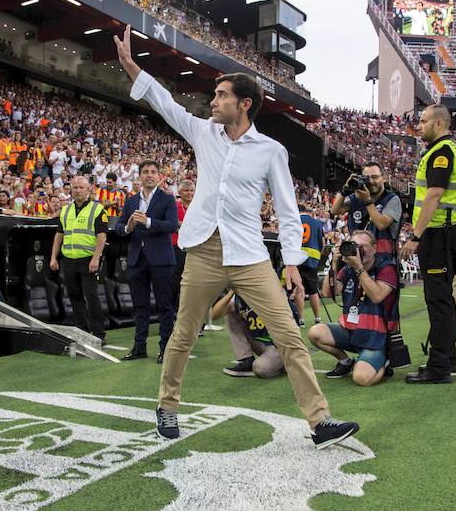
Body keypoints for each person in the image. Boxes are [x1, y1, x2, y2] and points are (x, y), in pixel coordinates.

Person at [114, 24, 358, 449]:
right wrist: (134, 68)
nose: (214, 100)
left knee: (289, 337)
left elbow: (286, 212)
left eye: (221, 95)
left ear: (244, 104)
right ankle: (167, 408)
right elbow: (166, 104)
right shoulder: (203, 132)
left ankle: (320, 423)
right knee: (184, 333)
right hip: (205, 250)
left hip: (250, 256)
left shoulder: (271, 151)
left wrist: (295, 264)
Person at [399, 104, 456, 384]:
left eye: (424, 121)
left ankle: (439, 365)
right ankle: (447, 359)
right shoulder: (449, 150)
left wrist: (415, 236)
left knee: (438, 300)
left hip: (438, 233)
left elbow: (434, 196)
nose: (420, 125)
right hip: (446, 231)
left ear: (439, 124)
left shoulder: (441, 152)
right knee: (444, 300)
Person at [308, 231, 398, 386]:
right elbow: (329, 292)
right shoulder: (347, 269)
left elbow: (377, 296)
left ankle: (384, 364)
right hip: (351, 331)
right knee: (315, 332)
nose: (358, 251)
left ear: (375, 248)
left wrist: (359, 269)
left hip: (376, 338)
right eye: (355, 246)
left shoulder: (386, 268)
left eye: (363, 246)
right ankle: (345, 362)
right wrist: (334, 265)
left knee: (361, 378)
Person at [115, 161, 179, 363]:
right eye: (145, 172)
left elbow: (171, 225)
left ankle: (165, 349)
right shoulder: (131, 201)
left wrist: (148, 222)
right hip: (137, 259)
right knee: (140, 306)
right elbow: (119, 225)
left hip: (161, 260)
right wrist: (129, 227)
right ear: (140, 177)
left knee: (164, 306)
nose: (149, 175)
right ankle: (139, 347)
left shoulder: (168, 199)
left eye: (153, 172)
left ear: (159, 176)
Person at [50, 176, 108, 343]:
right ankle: (81, 330)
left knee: (91, 296)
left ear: (88, 189)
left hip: (88, 260)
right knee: (74, 296)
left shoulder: (97, 210)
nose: (78, 190)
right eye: (75, 187)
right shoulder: (66, 210)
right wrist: (54, 257)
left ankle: (98, 334)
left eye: (81, 187)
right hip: (68, 260)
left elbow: (102, 237)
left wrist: (96, 258)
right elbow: (59, 235)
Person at [330, 161, 402, 260]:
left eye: (375, 177)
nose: (371, 181)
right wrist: (345, 190)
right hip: (357, 256)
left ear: (383, 178)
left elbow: (381, 224)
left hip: (383, 260)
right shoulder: (356, 197)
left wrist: (367, 200)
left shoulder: (392, 199)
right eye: (367, 178)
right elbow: (334, 210)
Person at [215, 289, 294, 379]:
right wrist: (230, 293)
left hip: (280, 345)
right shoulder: (241, 294)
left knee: (260, 368)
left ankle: (285, 362)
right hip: (263, 342)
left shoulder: (272, 289)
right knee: (229, 312)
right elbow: (215, 315)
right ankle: (246, 360)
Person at [297, 203, 325, 325]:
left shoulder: (294, 221)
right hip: (312, 259)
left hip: (297, 259)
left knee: (298, 289)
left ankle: (300, 319)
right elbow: (323, 244)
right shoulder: (317, 223)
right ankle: (317, 318)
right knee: (313, 290)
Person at [171, 179, 195, 312]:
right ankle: (174, 312)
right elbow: (172, 223)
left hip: (194, 248)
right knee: (175, 281)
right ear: (180, 192)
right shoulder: (175, 206)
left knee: (192, 283)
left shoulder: (197, 207)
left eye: (191, 190)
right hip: (177, 247)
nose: (189, 193)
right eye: (186, 190)